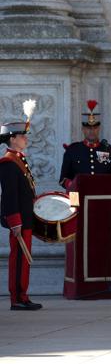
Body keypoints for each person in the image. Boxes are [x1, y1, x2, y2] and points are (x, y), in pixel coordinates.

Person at [0, 100, 43, 310]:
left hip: (25, 217)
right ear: (13, 139)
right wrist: (14, 221)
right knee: (18, 259)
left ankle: (23, 295)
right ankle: (17, 298)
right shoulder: (8, 163)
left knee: (23, 261)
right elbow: (9, 196)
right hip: (19, 219)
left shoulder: (19, 159)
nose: (26, 139)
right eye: (22, 136)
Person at [59, 100, 111, 189]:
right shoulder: (72, 150)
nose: (92, 131)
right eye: (88, 128)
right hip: (77, 195)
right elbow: (62, 179)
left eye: (95, 128)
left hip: (101, 195)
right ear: (83, 129)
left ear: (99, 129)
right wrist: (72, 185)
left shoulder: (108, 149)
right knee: (74, 202)